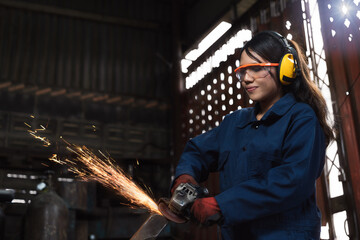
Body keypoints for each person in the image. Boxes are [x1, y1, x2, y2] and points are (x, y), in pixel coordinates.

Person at [171, 31, 334, 239]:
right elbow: (197, 151)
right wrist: (185, 178)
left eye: (256, 69)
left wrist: (221, 205)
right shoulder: (235, 123)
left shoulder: (301, 119)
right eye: (242, 71)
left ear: (286, 70)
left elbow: (291, 181)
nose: (246, 79)